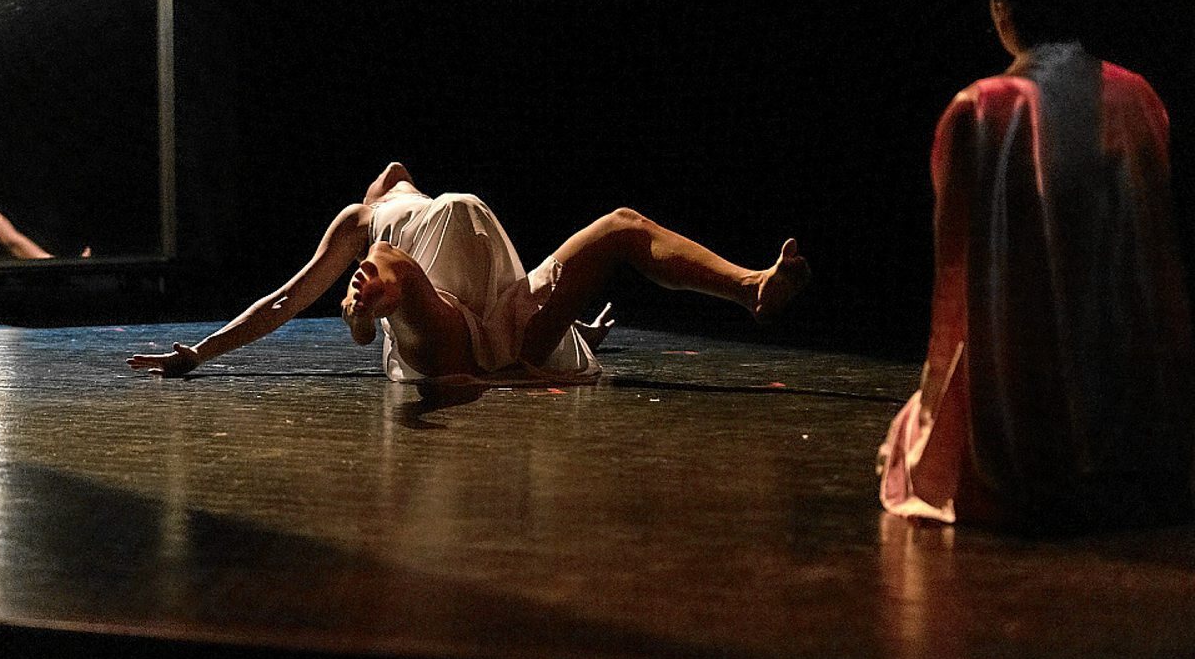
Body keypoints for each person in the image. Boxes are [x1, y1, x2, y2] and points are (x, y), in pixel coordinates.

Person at [877, 0, 1195, 532]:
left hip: (1027, 416)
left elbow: (956, 288)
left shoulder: (980, 110)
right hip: (1137, 415)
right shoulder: (1138, 98)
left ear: (1003, 7)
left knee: (915, 440)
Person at [128, 161, 809, 383]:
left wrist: (578, 331)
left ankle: (750, 287)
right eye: (385, 176)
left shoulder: (432, 210)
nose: (393, 170)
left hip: (504, 310)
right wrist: (201, 352)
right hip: (436, 315)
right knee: (391, 264)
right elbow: (284, 300)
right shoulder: (363, 220)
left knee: (623, 225)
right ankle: (365, 309)